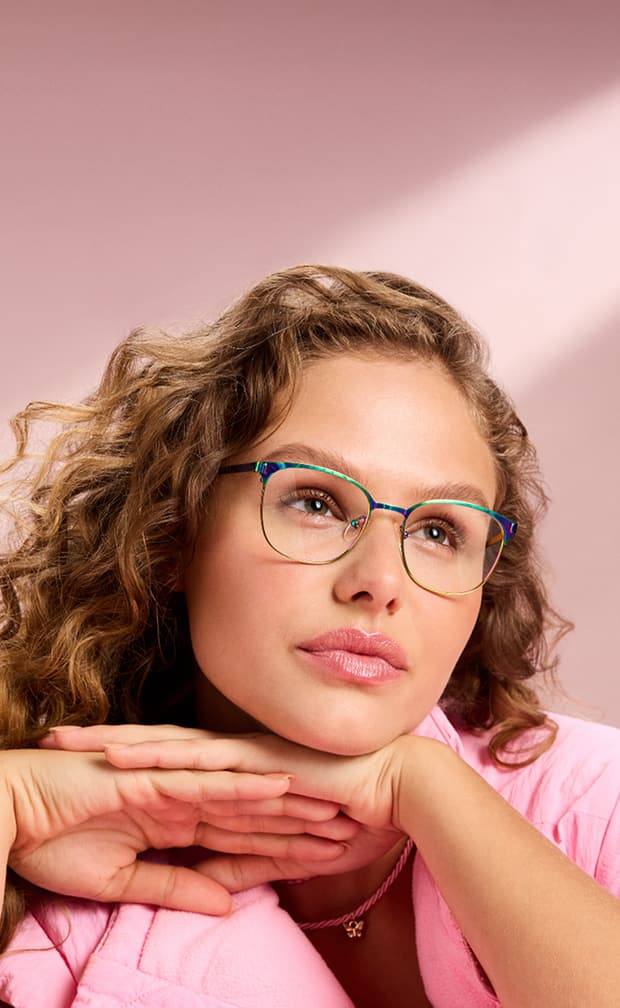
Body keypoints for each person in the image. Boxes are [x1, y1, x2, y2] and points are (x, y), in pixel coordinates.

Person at [0, 265, 618, 1008]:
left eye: (437, 530)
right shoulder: (58, 870)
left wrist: (420, 786)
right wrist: (11, 801)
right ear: (173, 532)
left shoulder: (593, 804)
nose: (380, 580)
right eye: (317, 502)